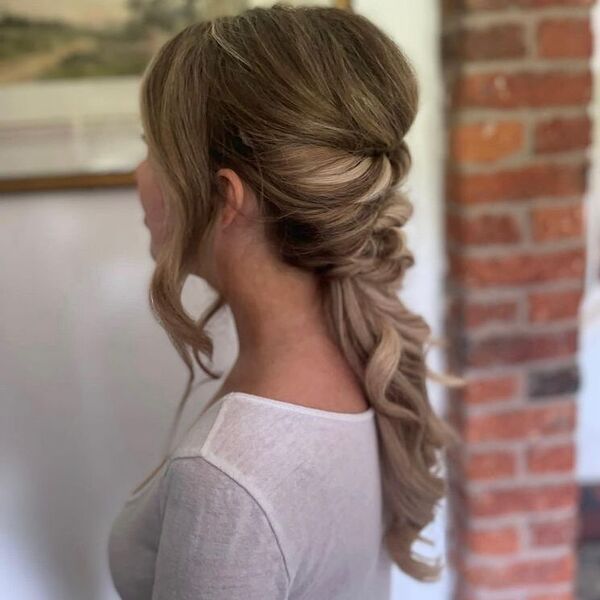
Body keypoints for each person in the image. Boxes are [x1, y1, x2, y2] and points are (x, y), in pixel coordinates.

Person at [107, 4, 461, 599]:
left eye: (153, 150)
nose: (139, 175)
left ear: (224, 196)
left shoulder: (227, 480)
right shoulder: (360, 356)